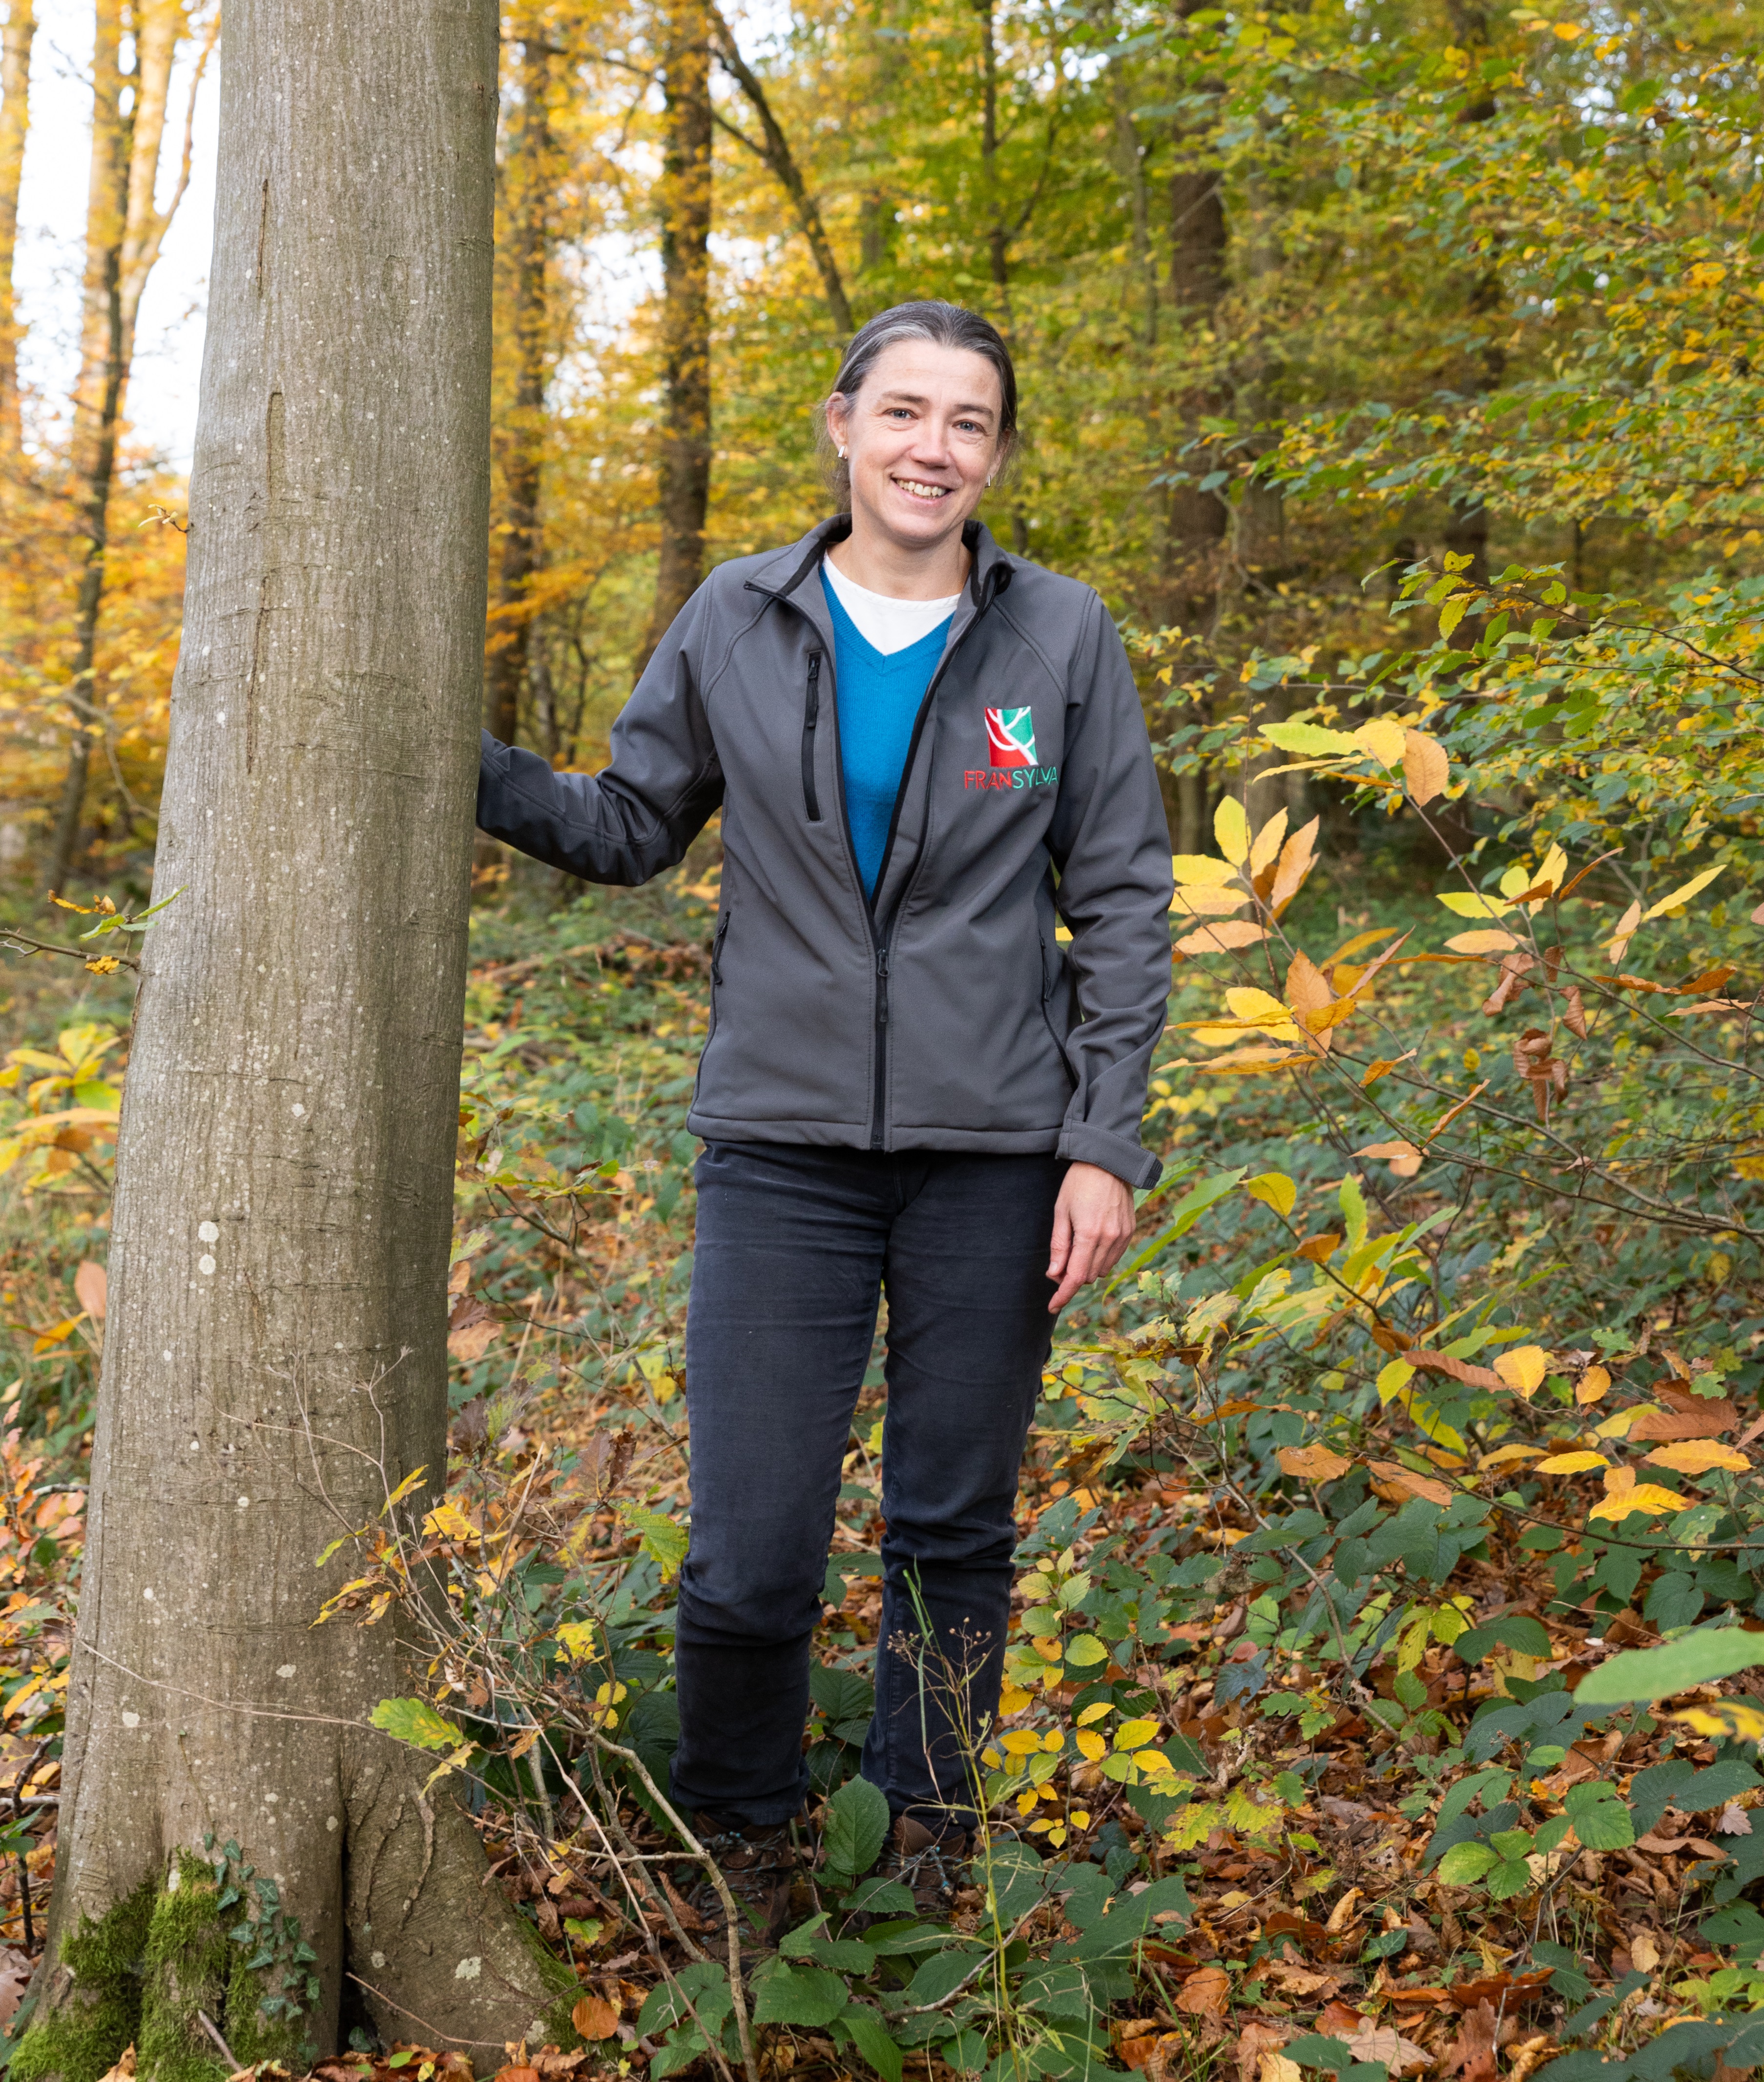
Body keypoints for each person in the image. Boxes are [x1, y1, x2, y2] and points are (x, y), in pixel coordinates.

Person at [475, 299, 1173, 1935]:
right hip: (780, 1150)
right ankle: (743, 1859)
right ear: (842, 428)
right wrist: (451, 763)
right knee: (753, 1542)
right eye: (906, 412)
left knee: (953, 1525)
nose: (935, 447)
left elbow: (1128, 903)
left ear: (996, 454)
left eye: (970, 423)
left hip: (995, 1153)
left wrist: (1103, 1141)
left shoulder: (1059, 638)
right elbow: (632, 821)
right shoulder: (740, 615)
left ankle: (928, 1850)